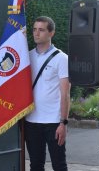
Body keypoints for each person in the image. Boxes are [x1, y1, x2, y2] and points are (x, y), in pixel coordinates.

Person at [25, 16, 71, 171]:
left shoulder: (62, 59)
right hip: (31, 121)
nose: (36, 33)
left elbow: (65, 93)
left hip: (53, 122)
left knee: (59, 165)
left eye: (41, 30)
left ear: (51, 33)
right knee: (35, 165)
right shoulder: (27, 57)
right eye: (35, 29)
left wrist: (63, 123)